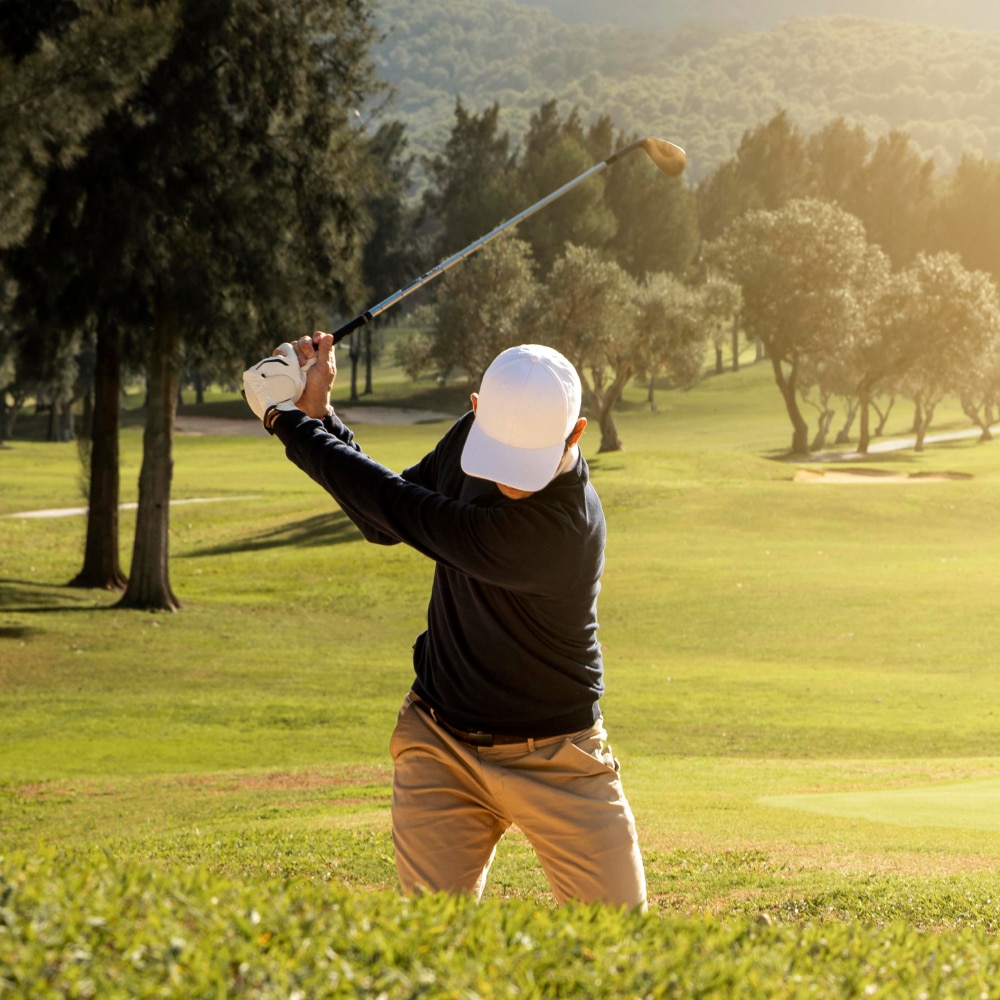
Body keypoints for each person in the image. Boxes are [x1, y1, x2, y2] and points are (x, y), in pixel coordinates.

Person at [242, 332, 647, 910]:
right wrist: (320, 415)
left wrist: (285, 419)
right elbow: (387, 517)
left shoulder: (563, 532)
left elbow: (407, 513)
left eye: (527, 461)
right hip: (441, 744)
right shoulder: (467, 440)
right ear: (477, 411)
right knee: (430, 947)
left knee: (623, 947)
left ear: (576, 432)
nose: (510, 480)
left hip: (559, 757)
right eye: (501, 453)